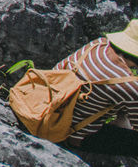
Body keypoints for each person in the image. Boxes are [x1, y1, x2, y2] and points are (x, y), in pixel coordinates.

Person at [54, 19, 138, 157]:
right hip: (69, 134)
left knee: (120, 100)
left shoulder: (97, 44)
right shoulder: (128, 85)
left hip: (49, 107)